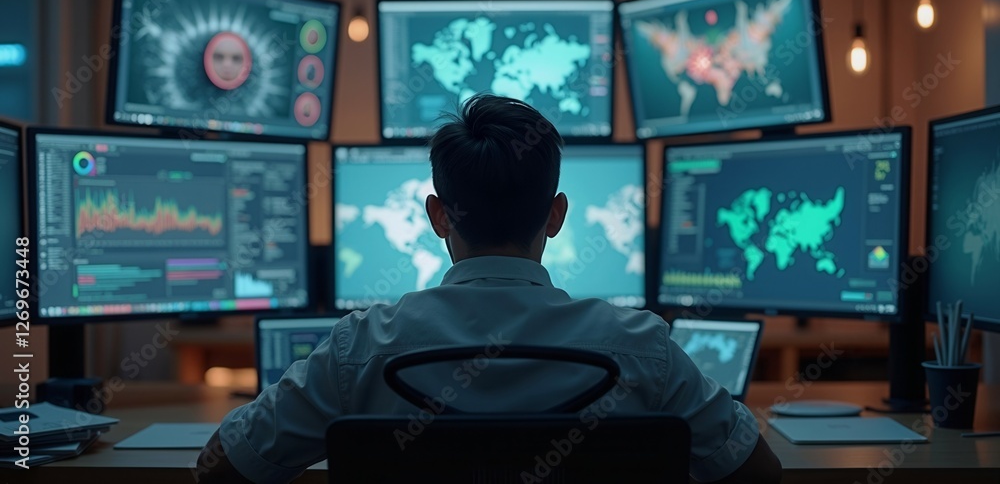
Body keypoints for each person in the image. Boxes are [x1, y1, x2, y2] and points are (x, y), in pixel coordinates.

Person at [194, 93, 782, 483]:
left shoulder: (359, 349)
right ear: (556, 215)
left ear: (438, 216)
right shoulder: (643, 348)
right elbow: (757, 472)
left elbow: (220, 468)